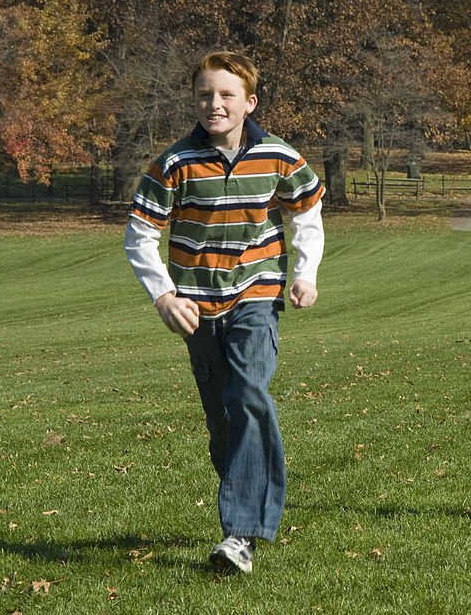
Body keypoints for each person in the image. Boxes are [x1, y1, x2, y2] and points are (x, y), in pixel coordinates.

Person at [124, 50, 324, 572]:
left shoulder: (279, 156)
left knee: (249, 391)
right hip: (196, 305)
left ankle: (241, 535)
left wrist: (305, 273)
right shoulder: (175, 163)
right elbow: (140, 234)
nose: (215, 103)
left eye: (226, 94)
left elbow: (307, 213)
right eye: (205, 95)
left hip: (256, 293)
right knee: (223, 418)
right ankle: (243, 515)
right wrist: (164, 295)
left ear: (249, 102)